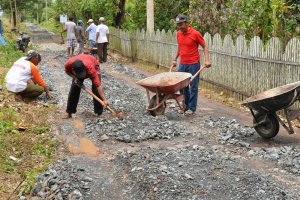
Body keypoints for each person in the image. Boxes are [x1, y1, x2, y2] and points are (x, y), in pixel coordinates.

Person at [170, 14, 211, 115]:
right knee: (182, 86)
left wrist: (207, 60)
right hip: (183, 64)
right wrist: (175, 59)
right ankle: (185, 106)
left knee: (193, 86)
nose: (180, 27)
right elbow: (180, 47)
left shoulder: (195, 34)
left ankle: (191, 108)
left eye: (181, 24)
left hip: (193, 64)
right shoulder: (178, 34)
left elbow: (204, 46)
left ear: (186, 23)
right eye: (178, 25)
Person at [64, 54, 109, 118]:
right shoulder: (68, 64)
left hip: (92, 63)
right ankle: (70, 112)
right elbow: (67, 71)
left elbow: (98, 85)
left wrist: (104, 100)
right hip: (79, 69)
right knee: (74, 89)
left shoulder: (90, 68)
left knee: (96, 89)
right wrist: (74, 77)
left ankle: (99, 111)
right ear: (73, 70)